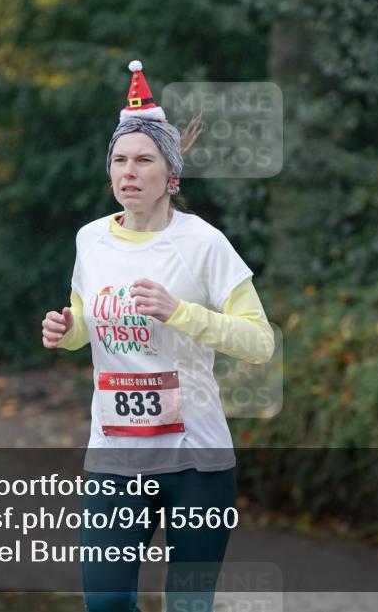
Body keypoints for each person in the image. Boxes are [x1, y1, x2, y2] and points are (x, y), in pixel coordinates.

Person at [41, 60, 275, 612]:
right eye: (120, 160)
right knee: (105, 603)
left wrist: (181, 313)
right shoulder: (91, 241)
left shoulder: (203, 243)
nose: (129, 171)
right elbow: (85, 322)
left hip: (197, 460)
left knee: (188, 607)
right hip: (114, 458)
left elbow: (260, 341)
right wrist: (67, 329)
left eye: (144, 160)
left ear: (170, 175)